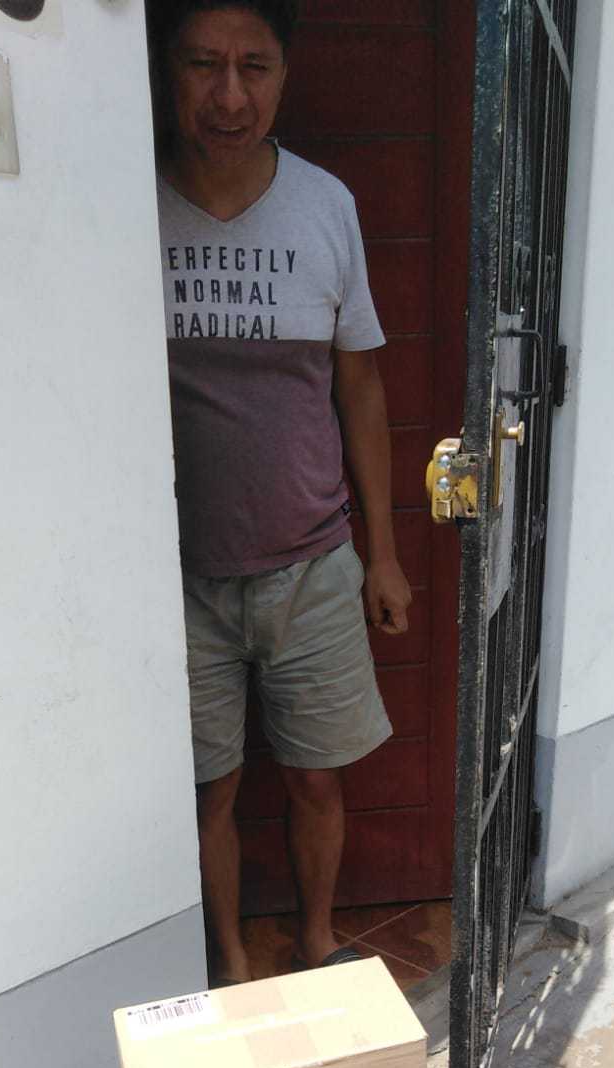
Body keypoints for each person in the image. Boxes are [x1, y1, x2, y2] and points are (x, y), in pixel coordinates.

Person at [151, 0, 411, 980]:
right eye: (203, 65)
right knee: (206, 790)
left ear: (284, 75)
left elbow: (360, 385)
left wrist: (383, 555)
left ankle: (315, 938)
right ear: (167, 69)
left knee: (315, 778)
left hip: (311, 563)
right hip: (175, 577)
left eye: (253, 67)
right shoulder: (127, 203)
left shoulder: (324, 205)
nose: (228, 97)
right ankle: (227, 959)